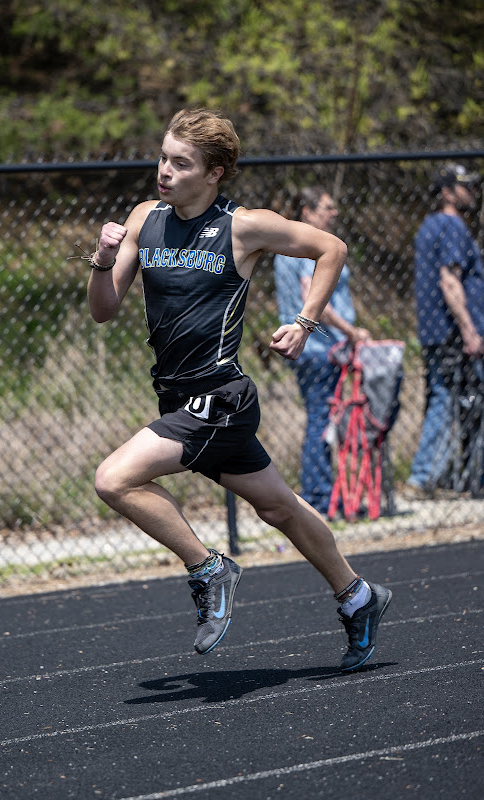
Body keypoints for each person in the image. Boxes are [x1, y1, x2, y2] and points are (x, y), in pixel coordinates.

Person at [84, 108, 391, 672]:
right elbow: (103, 311)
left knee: (114, 478)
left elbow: (333, 249)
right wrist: (102, 262)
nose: (164, 172)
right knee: (279, 508)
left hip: (221, 398)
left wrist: (304, 323)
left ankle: (208, 570)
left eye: (181, 164)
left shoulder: (241, 226)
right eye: (163, 158)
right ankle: (358, 596)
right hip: (178, 398)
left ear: (216, 172)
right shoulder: (143, 218)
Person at [274, 187, 370, 515]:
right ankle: (320, 495)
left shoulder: (291, 244)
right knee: (321, 420)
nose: (334, 213)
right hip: (317, 348)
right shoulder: (305, 246)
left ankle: (325, 492)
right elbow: (313, 296)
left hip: (315, 348)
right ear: (307, 212)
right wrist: (351, 331)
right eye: (327, 208)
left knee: (322, 418)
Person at [407, 163, 484, 495]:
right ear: (447, 193)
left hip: (437, 330)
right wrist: (469, 329)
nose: (473, 192)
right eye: (465, 186)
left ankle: (441, 474)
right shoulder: (452, 227)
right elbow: (449, 281)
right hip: (453, 331)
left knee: (448, 397)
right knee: (447, 397)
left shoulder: (429, 226)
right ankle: (424, 476)